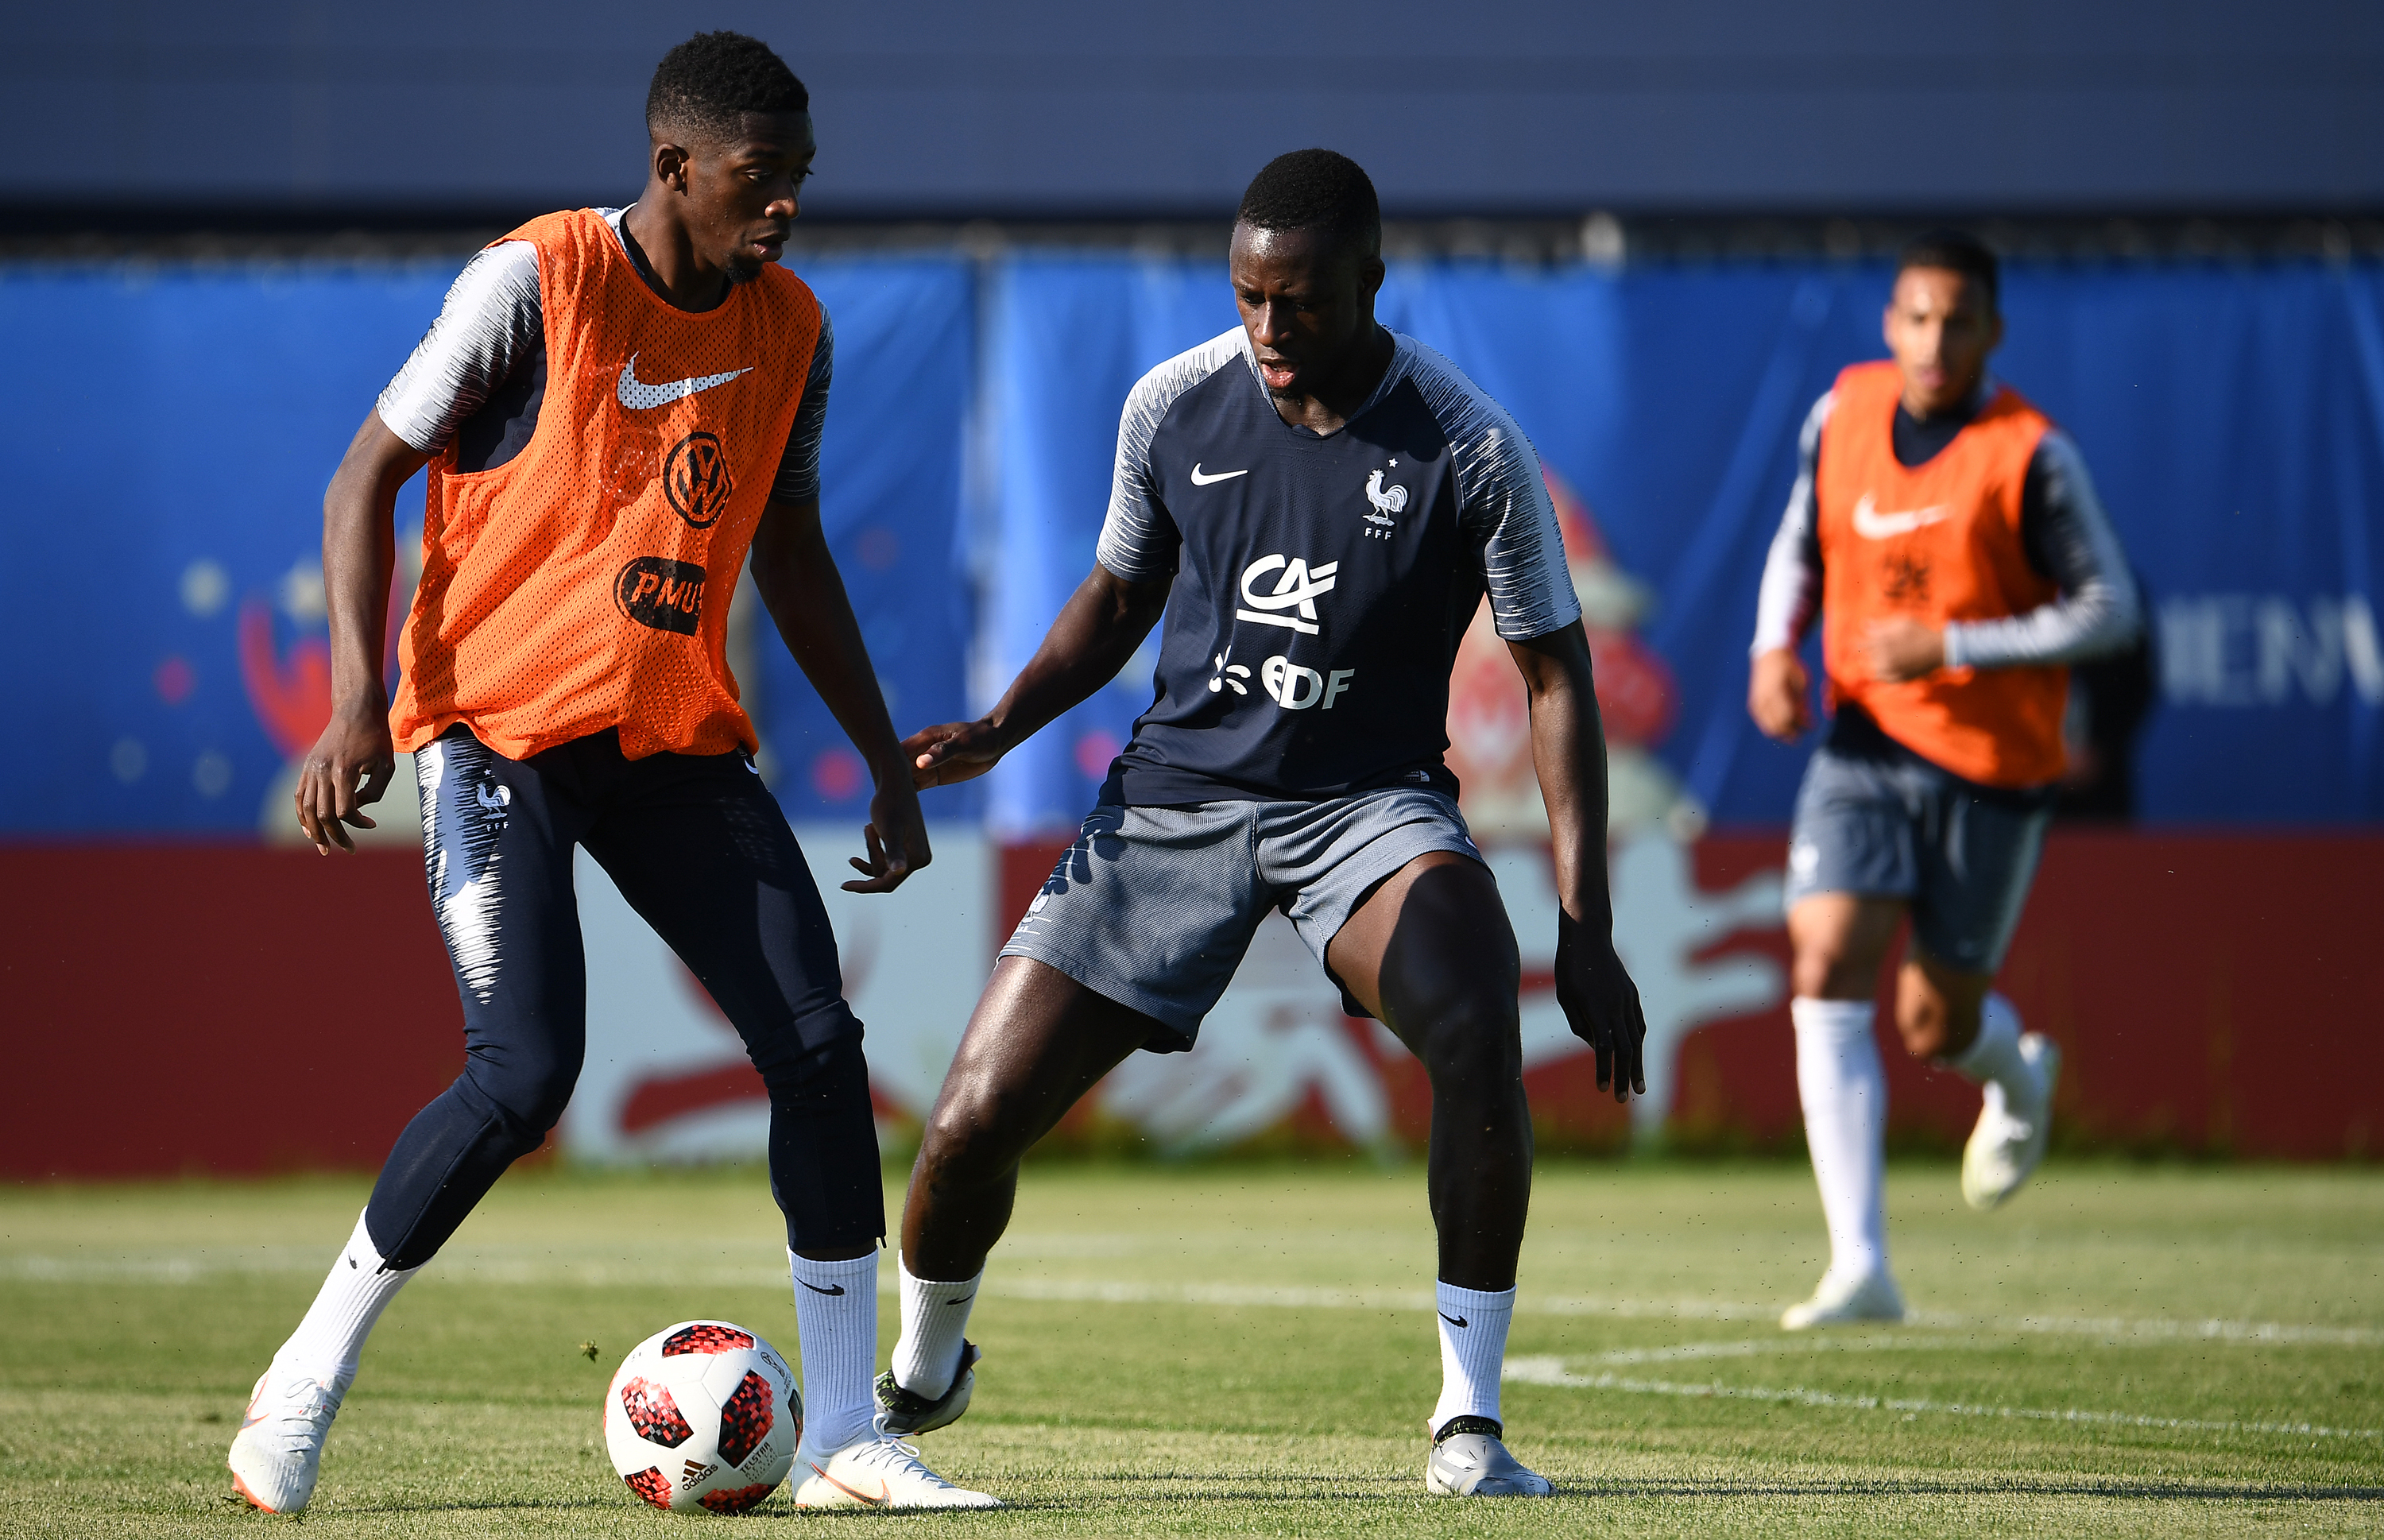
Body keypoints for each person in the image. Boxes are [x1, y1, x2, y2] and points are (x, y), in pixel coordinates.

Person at [226, 32, 995, 1513]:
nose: (784, 210)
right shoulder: (537, 280)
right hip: (499, 734)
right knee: (525, 1076)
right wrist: (349, 707)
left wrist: (883, 763)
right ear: (674, 168)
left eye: (798, 183)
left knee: (821, 1050)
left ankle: (842, 1432)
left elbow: (790, 547)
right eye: (758, 182)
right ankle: (302, 1379)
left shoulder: (795, 329)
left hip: (669, 740)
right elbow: (361, 477)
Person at [875, 149, 1649, 1499]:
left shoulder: (1468, 445)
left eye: (1300, 302)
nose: (1271, 332)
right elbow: (1115, 598)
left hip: (1371, 808)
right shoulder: (1173, 406)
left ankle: (1470, 1422)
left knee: (1476, 1022)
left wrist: (1586, 928)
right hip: (1176, 802)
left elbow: (1554, 674)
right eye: (1248, 299)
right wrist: (1001, 727)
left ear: (1371, 282)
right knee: (969, 1124)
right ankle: (923, 1370)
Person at [1747, 230, 2142, 1329]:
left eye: (1957, 320)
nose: (1933, 340)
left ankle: (2015, 1077)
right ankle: (1859, 1265)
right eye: (1915, 317)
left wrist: (1961, 642)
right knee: (1824, 957)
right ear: (1889, 323)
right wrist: (1773, 649)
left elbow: (2114, 609)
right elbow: (1799, 540)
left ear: (1992, 333)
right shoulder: (1844, 413)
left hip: (1993, 767)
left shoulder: (2032, 456)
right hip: (1866, 738)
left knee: (1931, 1021)